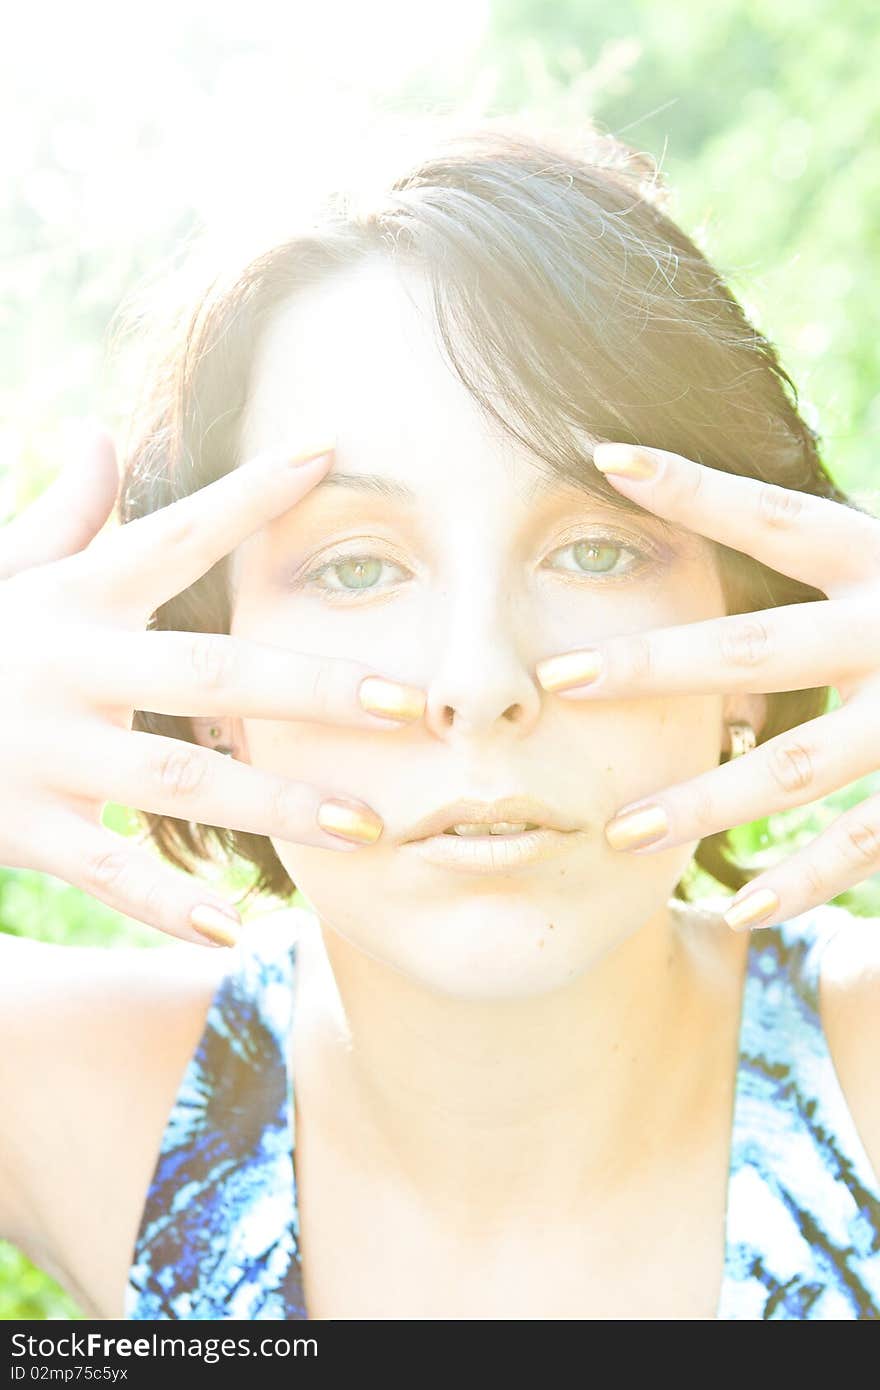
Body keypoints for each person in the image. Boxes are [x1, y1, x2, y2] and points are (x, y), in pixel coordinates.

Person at [2, 119, 880, 1321]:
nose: (479, 679)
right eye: (356, 569)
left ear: (752, 629)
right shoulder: (81, 1097)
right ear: (202, 677)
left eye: (595, 548)